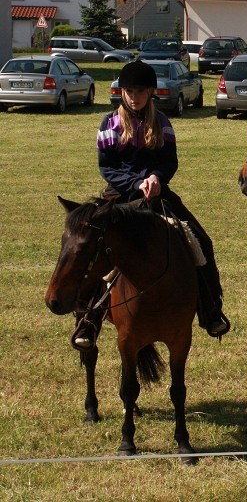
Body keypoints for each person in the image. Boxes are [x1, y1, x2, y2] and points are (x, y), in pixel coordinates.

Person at [72, 60, 230, 349]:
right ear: (121, 92)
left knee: (200, 240)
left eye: (140, 91)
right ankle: (88, 320)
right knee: (91, 246)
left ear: (151, 92)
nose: (134, 97)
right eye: (129, 91)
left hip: (158, 194)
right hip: (119, 196)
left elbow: (169, 160)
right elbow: (108, 167)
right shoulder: (109, 123)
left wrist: (157, 177)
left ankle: (210, 309)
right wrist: (136, 183)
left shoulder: (163, 123)